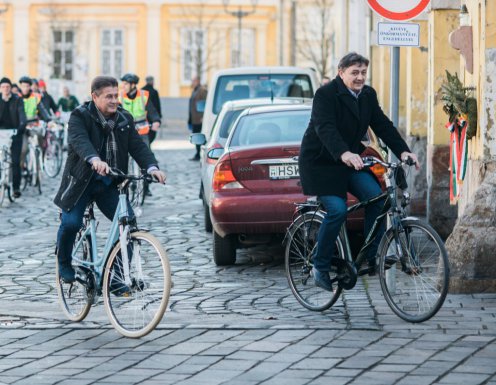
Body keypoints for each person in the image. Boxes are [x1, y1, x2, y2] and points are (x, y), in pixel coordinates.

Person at [298, 52, 420, 291]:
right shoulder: (325, 95)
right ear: (340, 72)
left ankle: (372, 256)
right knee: (337, 210)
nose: (360, 77)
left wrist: (404, 151)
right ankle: (319, 265)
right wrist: (344, 153)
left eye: (363, 72)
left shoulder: (367, 95)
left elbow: (383, 125)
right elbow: (326, 129)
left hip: (349, 163)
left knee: (379, 198)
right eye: (354, 72)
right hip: (321, 164)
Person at [54, 75, 166, 284]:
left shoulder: (124, 118)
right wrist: (94, 159)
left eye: (116, 95)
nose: (115, 100)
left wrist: (151, 167)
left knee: (127, 224)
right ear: (95, 97)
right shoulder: (80, 116)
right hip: (81, 182)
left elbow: (138, 146)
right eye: (109, 97)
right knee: (71, 223)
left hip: (108, 183)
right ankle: (64, 262)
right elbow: (79, 141)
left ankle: (114, 278)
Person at [0, 77, 27, 198]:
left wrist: (21, 127)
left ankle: (16, 188)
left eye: (7, 87)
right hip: (1, 133)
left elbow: (22, 115)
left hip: (15, 133)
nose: (5, 89)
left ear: (11, 88)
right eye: (3, 87)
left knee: (15, 161)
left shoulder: (17, 100)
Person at [188, 76, 207, 161]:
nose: (192, 82)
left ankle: (200, 154)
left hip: (199, 119)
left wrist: (203, 116)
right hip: (194, 118)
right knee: (196, 136)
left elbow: (205, 103)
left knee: (200, 137)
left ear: (198, 81)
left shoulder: (202, 90)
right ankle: (197, 153)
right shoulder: (195, 91)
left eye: (194, 81)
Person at [141, 75, 162, 144]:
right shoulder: (154, 91)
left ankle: (147, 145)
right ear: (152, 81)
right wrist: (159, 116)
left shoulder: (142, 90)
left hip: (143, 116)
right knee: (152, 133)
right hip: (152, 116)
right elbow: (157, 105)